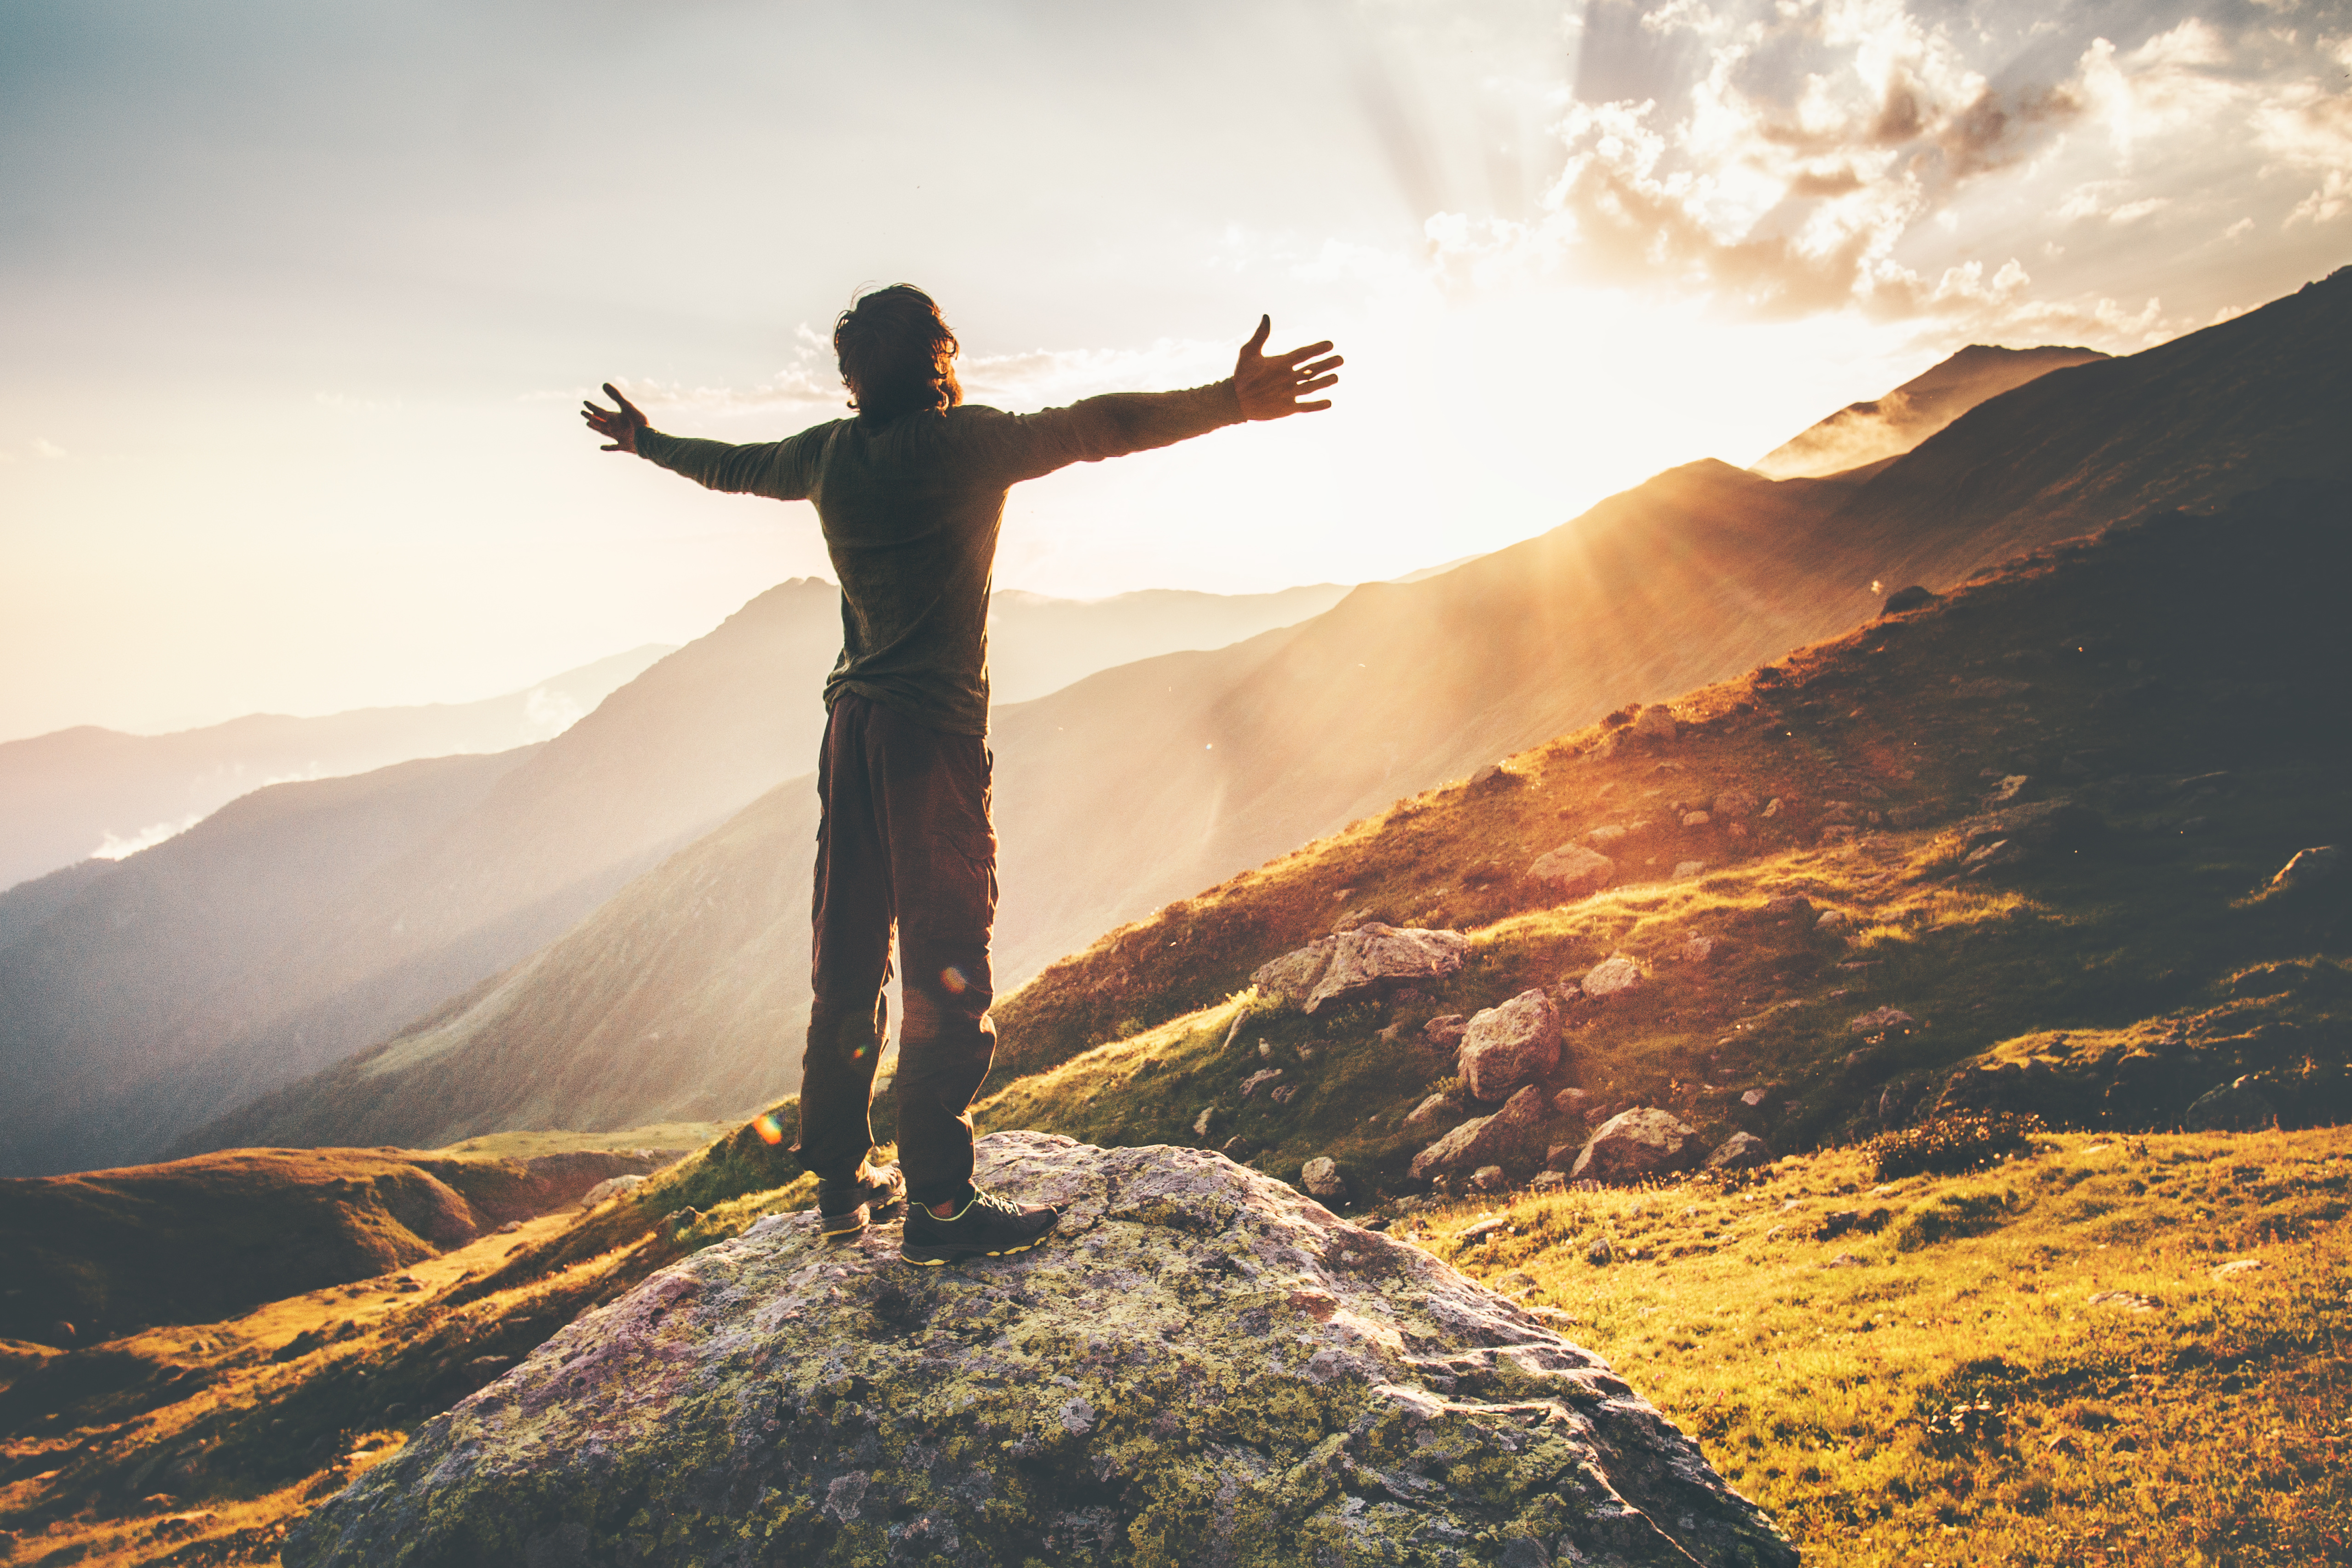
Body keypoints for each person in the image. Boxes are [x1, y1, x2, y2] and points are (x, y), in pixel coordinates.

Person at [582, 285, 1340, 1265]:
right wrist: (1230, 403)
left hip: (848, 729)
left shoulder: (827, 455)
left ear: (854, 378)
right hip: (928, 735)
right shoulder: (963, 445)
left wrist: (648, 443)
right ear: (940, 356)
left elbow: (733, 467)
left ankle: (841, 1185)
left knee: (848, 953)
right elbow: (1097, 427)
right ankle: (940, 1207)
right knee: (947, 955)